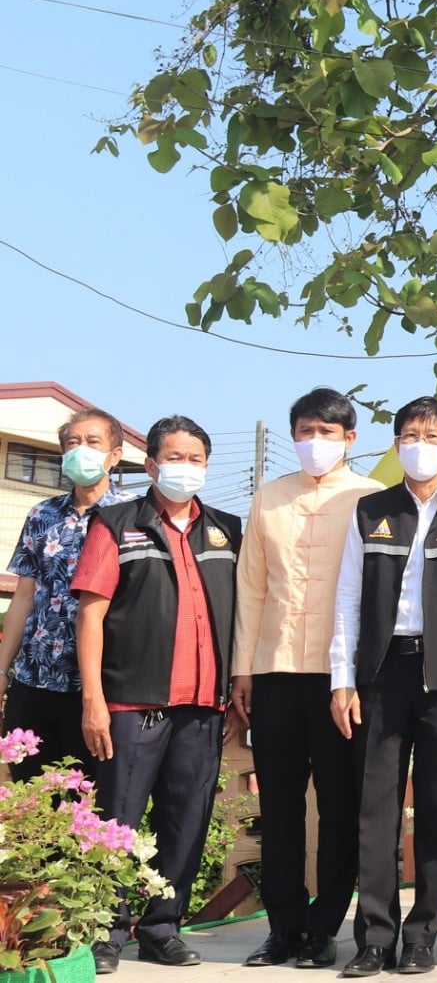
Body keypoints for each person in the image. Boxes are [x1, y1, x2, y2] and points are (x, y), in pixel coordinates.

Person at [330, 397, 437, 977]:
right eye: (409, 435)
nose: (419, 446)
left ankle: (421, 935)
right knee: (374, 812)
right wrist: (342, 679)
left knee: (436, 808)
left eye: (431, 437)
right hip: (381, 676)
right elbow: (347, 599)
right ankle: (374, 938)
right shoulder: (371, 510)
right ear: (397, 443)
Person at [73, 416, 240, 974]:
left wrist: (239, 684)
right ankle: (104, 930)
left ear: (207, 466)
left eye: (195, 459)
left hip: (203, 705)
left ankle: (162, 928)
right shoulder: (116, 523)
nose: (184, 467)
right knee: (116, 819)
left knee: (187, 819)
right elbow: (91, 616)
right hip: (132, 703)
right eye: (173, 457)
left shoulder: (226, 530)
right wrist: (93, 700)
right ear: (149, 465)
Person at [233, 388, 382, 970]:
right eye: (305, 431)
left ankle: (324, 928)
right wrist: (243, 668)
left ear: (350, 438)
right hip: (274, 672)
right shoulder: (268, 498)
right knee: (279, 807)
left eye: (327, 432)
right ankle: (283, 927)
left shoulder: (371, 498)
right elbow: (251, 587)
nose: (314, 442)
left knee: (341, 807)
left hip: (341, 678)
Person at [1, 407, 138, 778]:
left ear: (115, 454)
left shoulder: (134, 515)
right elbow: (24, 597)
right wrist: (2, 669)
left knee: (91, 796)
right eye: (73, 443)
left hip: (101, 686)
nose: (81, 450)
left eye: (92, 442)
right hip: (35, 677)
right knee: (30, 791)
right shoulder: (42, 514)